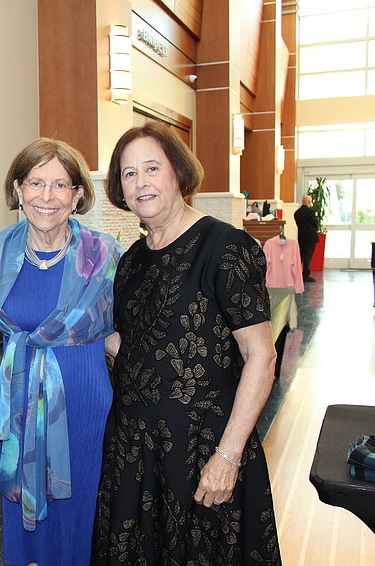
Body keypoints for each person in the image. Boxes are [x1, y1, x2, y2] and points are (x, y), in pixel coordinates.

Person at [92, 122, 282, 564]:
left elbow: (261, 355)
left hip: (204, 451)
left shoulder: (225, 247)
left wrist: (229, 456)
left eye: (151, 168)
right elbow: (137, 347)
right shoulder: (132, 263)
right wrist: (79, 328)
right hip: (135, 451)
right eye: (128, 173)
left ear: (177, 171)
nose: (140, 183)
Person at [0, 138, 121, 565]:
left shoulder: (104, 255)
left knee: (79, 515)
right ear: (18, 189)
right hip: (20, 407)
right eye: (35, 183)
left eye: (61, 185)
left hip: (84, 407)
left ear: (77, 195)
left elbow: (121, 334)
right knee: (22, 522)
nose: (47, 196)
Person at [294, 194, 320, 282]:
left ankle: (298, 274)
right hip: (311, 238)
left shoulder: (297, 213)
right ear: (309, 202)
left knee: (301, 256)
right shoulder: (310, 212)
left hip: (301, 237)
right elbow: (316, 224)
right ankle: (306, 275)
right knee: (308, 257)